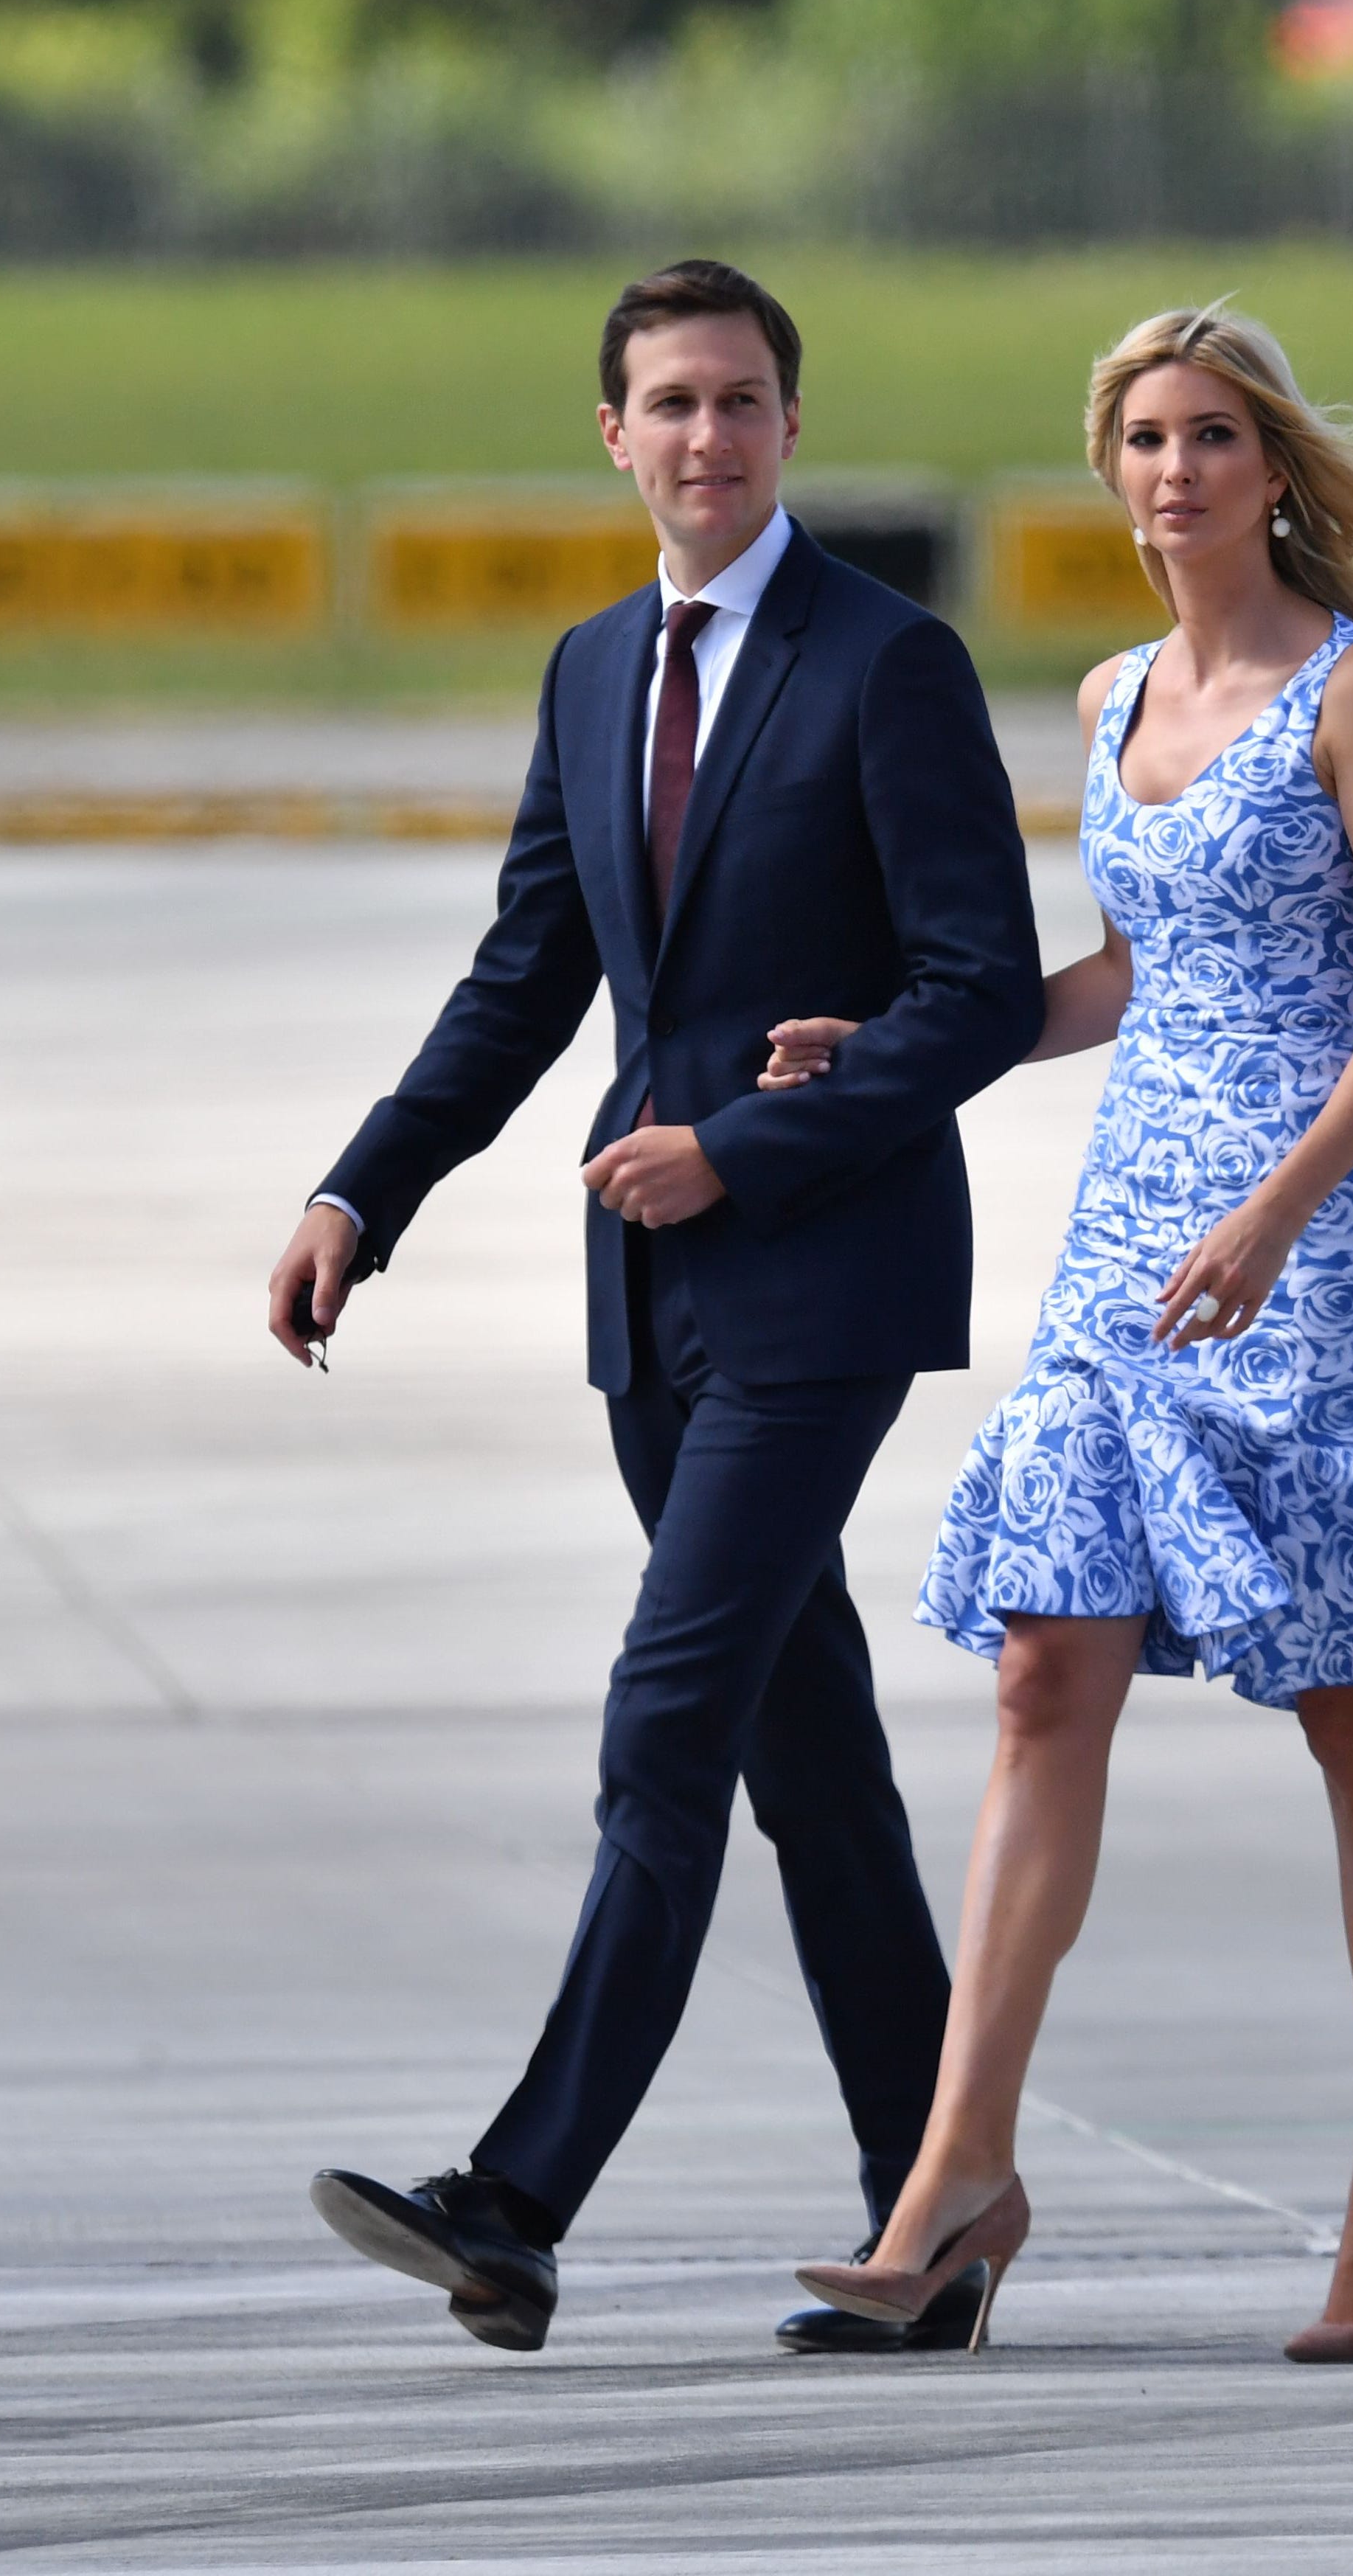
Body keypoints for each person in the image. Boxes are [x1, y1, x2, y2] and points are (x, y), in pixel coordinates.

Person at [762, 305, 1353, 2363]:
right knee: (1049, 1670)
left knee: (1348, 1697)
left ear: (1276, 469)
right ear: (1114, 468)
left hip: (1317, 1229)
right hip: (1130, 1226)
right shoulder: (1113, 691)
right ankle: (957, 2176)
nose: (1177, 471)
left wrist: (1272, 1213)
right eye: (1145, 438)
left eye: (1215, 436)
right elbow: (1141, 973)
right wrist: (903, 1048)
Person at [265, 259, 1042, 2357]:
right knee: (813, 1765)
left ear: (795, 425)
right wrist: (370, 1185)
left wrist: (755, 1145)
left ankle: (517, 2200)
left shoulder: (891, 665)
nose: (709, 436)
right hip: (651, 1295)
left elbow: (978, 989)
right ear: (611, 434)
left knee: (668, 1717)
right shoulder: (595, 667)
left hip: (829, 1275)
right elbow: (530, 974)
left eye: (744, 400)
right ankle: (935, 2211)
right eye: (671, 403)